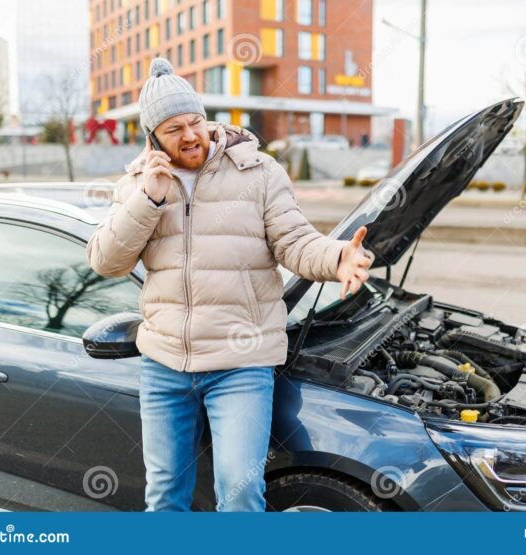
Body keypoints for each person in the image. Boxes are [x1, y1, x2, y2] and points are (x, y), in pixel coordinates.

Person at [86, 57, 373, 512]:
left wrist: (338, 257)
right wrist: (148, 199)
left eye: (195, 122)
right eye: (174, 129)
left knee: (239, 497)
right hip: (164, 364)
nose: (190, 136)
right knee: (164, 498)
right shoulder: (138, 185)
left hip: (240, 364)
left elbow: (295, 242)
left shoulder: (258, 172)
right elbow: (106, 261)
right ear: (153, 138)